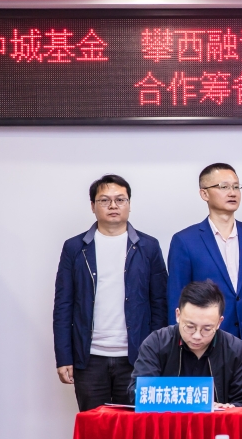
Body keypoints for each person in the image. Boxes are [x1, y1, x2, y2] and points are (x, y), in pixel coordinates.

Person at [167, 163, 242, 405]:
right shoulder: (185, 241)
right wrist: (178, 351)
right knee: (205, 418)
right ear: (204, 193)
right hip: (202, 348)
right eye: (223, 186)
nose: (232, 192)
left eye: (236, 187)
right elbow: (176, 301)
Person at [53, 174, 168, 411]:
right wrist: (64, 357)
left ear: (129, 204)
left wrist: (157, 354)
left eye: (120, 200)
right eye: (104, 200)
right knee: (95, 425)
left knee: (136, 426)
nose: (113, 206)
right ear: (92, 206)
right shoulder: (75, 248)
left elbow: (160, 303)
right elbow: (63, 305)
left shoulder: (148, 247)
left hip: (138, 358)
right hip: (89, 359)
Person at [129, 280, 242, 408]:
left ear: (219, 322)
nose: (197, 336)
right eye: (190, 327)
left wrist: (230, 408)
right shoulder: (156, 343)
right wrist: (192, 404)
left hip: (217, 422)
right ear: (178, 315)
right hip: (168, 421)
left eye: (207, 329)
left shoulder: (235, 350)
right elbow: (138, 393)